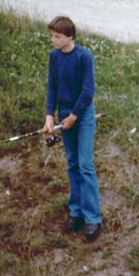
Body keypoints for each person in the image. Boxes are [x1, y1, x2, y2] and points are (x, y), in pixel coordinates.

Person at [42, 16, 102, 241]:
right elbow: (52, 87)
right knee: (73, 164)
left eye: (57, 36)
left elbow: (88, 92)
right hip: (64, 115)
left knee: (85, 164)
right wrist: (50, 116)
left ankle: (93, 218)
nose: (53, 40)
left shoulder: (84, 56)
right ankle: (76, 211)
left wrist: (74, 116)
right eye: (52, 36)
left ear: (70, 36)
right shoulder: (54, 57)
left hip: (82, 115)